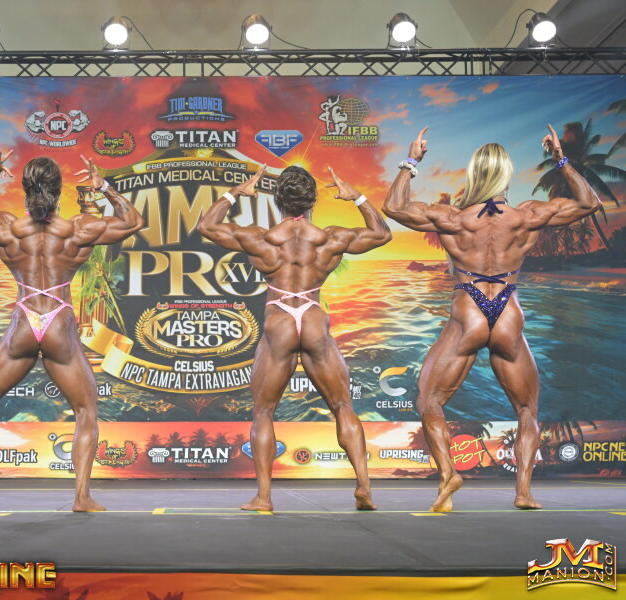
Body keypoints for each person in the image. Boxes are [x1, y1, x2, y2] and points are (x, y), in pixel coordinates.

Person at [382, 125, 601, 512]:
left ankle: (448, 475)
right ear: (506, 175)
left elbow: (395, 208)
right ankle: (524, 493)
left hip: (468, 306)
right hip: (507, 310)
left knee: (429, 400)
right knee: (526, 410)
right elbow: (589, 203)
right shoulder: (527, 215)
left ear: (474, 175)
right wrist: (561, 160)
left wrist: (411, 160)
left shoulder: (453, 217)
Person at [0, 152, 143, 513]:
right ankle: (81, 497)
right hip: (59, 325)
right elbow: (132, 221)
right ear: (59, 190)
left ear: (24, 188)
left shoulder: (6, 227)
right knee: (85, 410)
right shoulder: (77, 229)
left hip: (24, 322)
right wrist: (104, 187)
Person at [197, 164, 392, 511]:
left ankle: (264, 497)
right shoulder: (331, 238)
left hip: (280, 320)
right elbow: (382, 234)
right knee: (342, 406)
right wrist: (358, 197)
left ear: (278, 200)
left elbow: (207, 226)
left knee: (264, 412)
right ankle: (364, 487)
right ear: (312, 200)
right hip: (313, 318)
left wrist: (236, 192)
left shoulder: (261, 238)